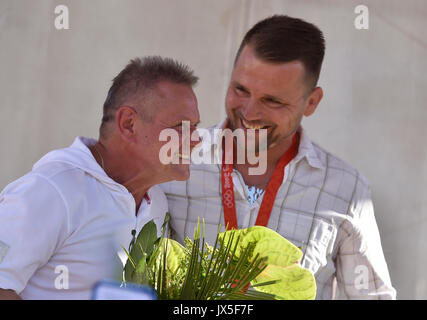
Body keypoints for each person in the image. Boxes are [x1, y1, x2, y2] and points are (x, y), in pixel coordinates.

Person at [160, 15, 396, 299]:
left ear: (312, 102)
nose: (249, 112)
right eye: (240, 90)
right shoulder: (173, 161)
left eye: (272, 101)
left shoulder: (347, 189)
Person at [0, 56, 201, 299]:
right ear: (129, 124)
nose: (197, 140)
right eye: (181, 126)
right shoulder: (51, 190)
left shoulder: (156, 203)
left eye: (196, 127)